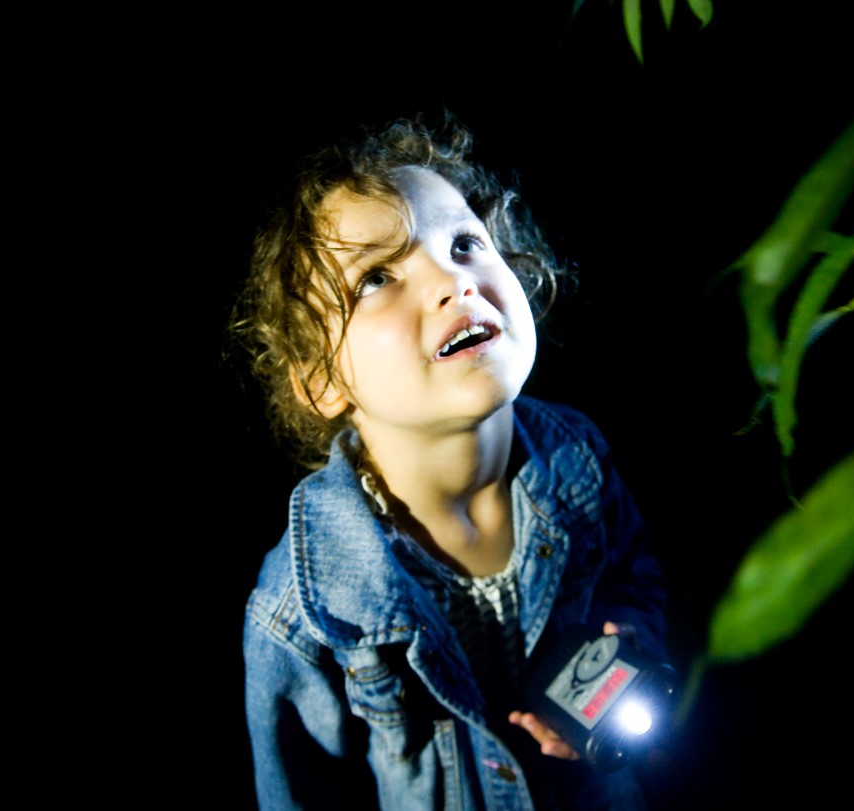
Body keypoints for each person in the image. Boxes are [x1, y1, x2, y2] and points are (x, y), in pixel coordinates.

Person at [231, 110, 668, 810]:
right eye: (376, 277)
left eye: (465, 242)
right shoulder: (299, 610)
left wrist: (631, 648)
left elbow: (634, 580)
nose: (451, 279)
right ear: (319, 379)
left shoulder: (577, 460)